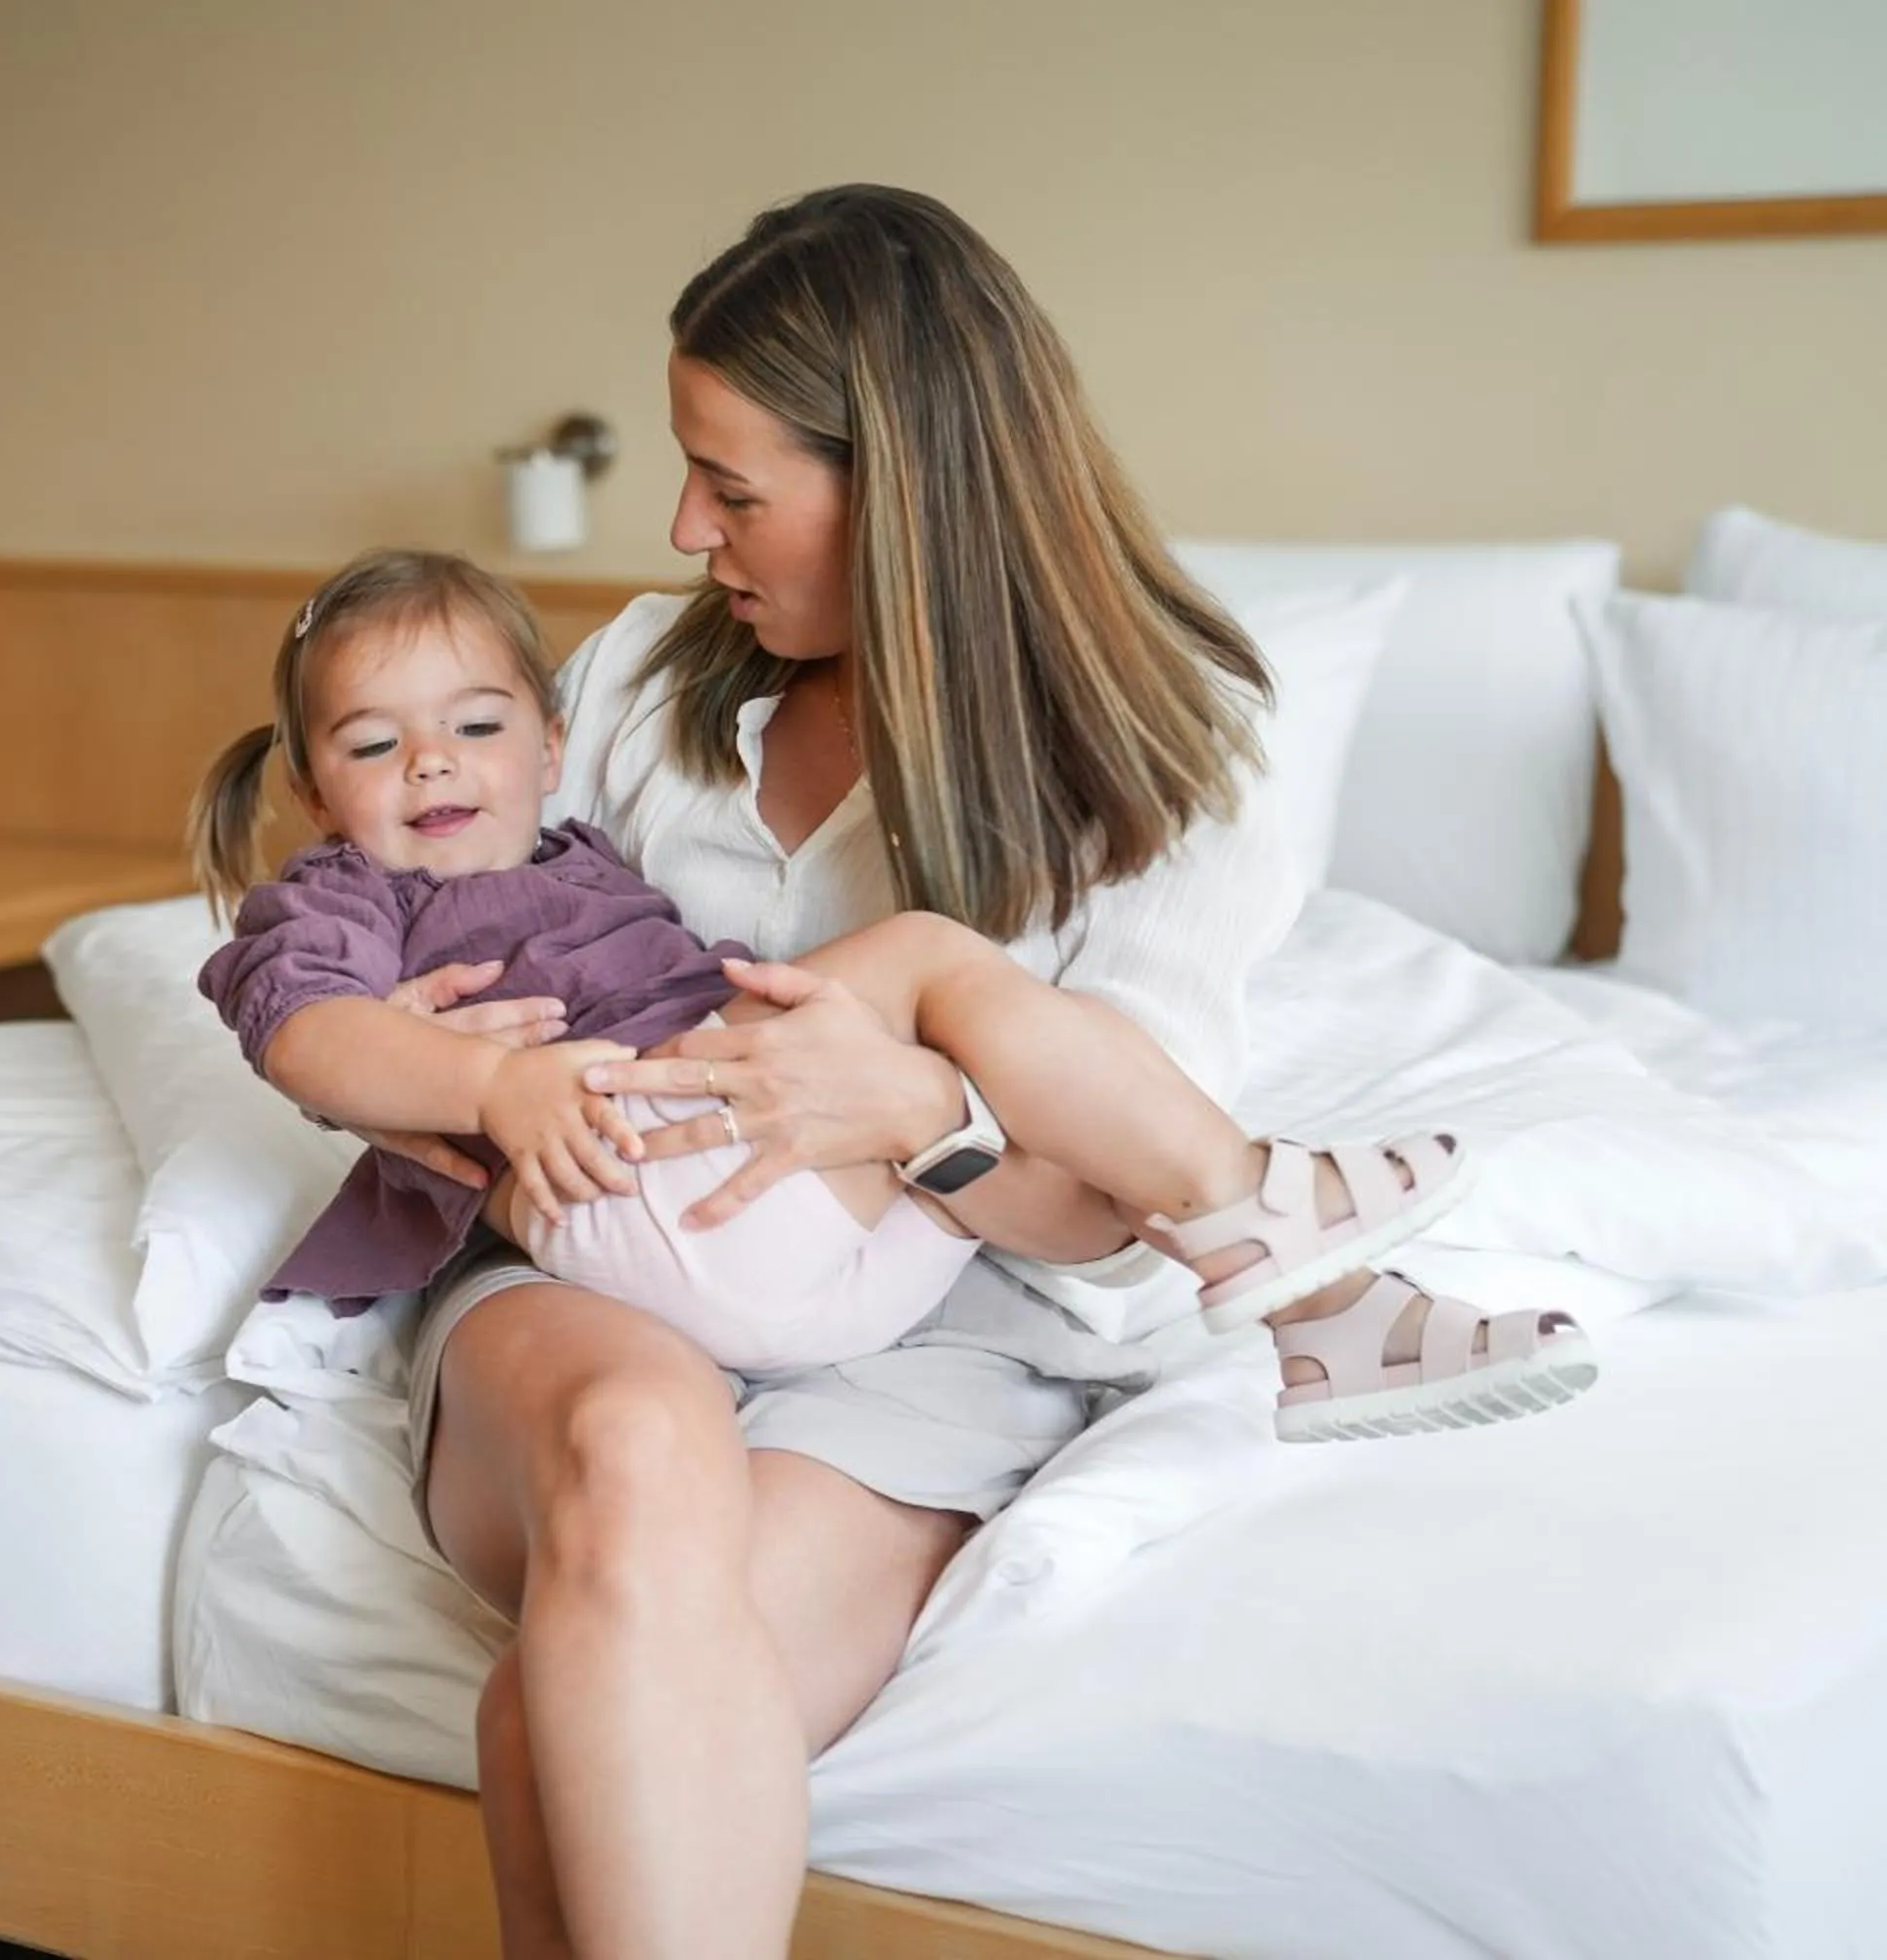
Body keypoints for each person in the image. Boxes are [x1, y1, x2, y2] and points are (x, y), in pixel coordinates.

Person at [256, 187, 1594, 1960]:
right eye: (690, 473)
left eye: (733, 488)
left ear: (903, 487)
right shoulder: (649, 676)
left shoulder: (1174, 747)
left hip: (943, 1325)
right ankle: (1294, 1234)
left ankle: (1268, 1237)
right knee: (633, 1451)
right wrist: (460, 1073)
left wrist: (932, 1127)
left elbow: (1105, 1219)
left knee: (558, 1720)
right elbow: (420, 933)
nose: (683, 526)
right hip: (588, 1253)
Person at [192, 548, 1534, 1411]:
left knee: (954, 1034)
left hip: (866, 1252)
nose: (432, 763)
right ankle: (1254, 1199)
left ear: (552, 745)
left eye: (475, 728)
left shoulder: (581, 846)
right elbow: (301, 1034)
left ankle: (1313, 1303)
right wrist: (488, 1084)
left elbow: (1066, 1205)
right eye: (376, 746)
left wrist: (888, 1093)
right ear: (311, 789)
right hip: (633, 1187)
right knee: (928, 956)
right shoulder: (343, 894)